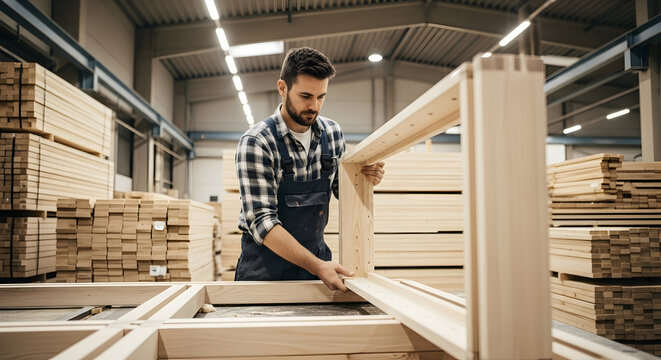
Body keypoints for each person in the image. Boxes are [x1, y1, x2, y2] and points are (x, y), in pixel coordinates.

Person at [234, 47, 385, 292]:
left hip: (315, 262)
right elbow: (262, 221)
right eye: (305, 96)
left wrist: (366, 179)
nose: (314, 106)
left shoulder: (333, 134)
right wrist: (318, 266)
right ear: (282, 88)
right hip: (264, 270)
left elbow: (344, 193)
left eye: (321, 96)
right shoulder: (257, 142)